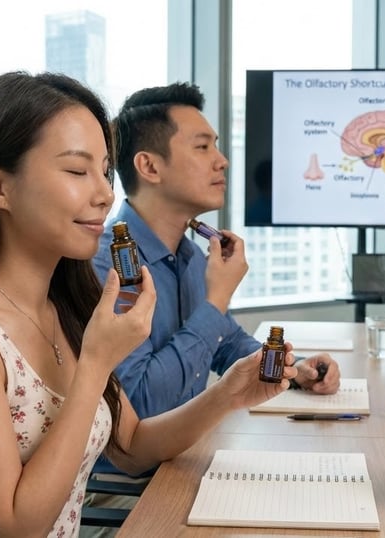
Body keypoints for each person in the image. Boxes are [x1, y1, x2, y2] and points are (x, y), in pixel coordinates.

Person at [0, 71, 299, 538]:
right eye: (77, 171)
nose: (104, 194)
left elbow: (133, 445)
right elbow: (12, 529)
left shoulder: (66, 307)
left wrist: (228, 395)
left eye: (104, 171)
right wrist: (96, 361)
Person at [89, 82, 341, 482]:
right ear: (149, 166)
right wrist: (217, 298)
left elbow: (226, 345)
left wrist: (293, 368)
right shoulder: (107, 266)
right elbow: (140, 411)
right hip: (130, 489)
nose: (222, 161)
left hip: (186, 462)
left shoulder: (189, 256)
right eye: (203, 147)